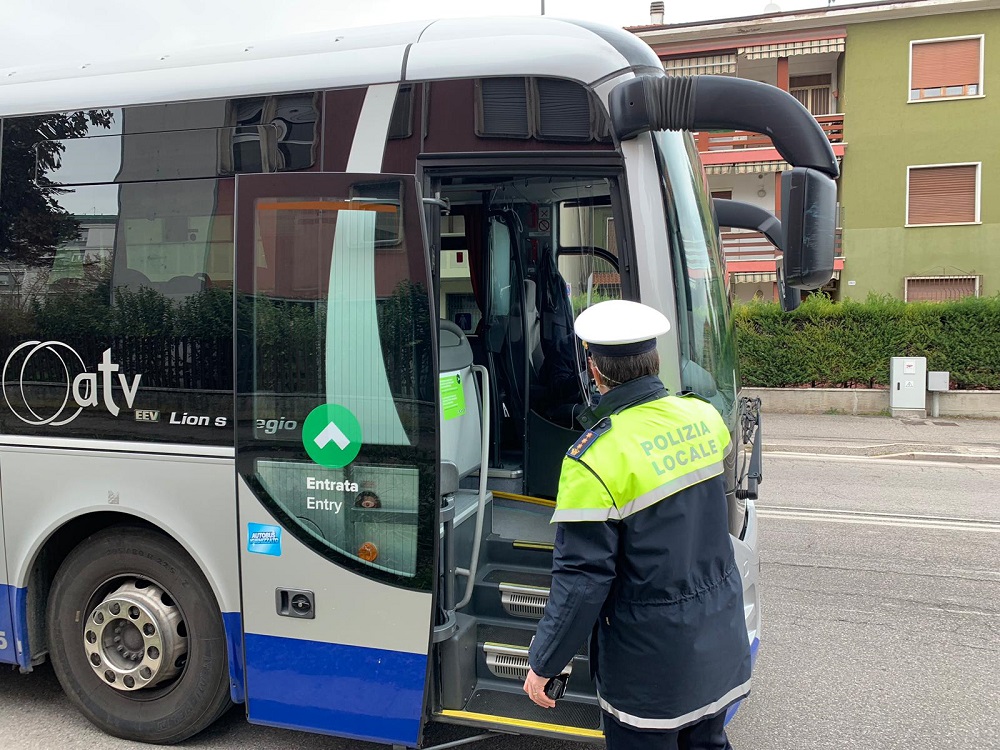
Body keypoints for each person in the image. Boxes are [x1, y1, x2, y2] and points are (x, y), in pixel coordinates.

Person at [522, 299, 752, 750]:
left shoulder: (594, 459)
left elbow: (583, 581)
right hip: (717, 642)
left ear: (593, 369)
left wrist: (544, 663)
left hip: (651, 669)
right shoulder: (706, 419)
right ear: (656, 360)